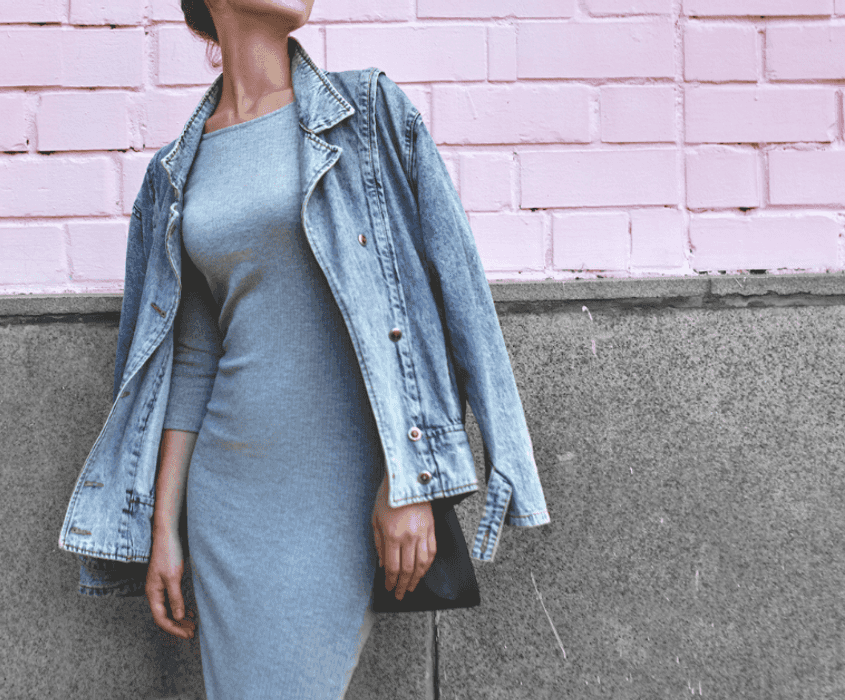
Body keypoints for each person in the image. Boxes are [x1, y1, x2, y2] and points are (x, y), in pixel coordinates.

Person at [57, 0, 551, 697]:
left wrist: (408, 480)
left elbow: (452, 297)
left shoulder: (368, 113)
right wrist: (162, 527)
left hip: (343, 490)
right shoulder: (177, 170)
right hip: (228, 496)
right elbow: (191, 360)